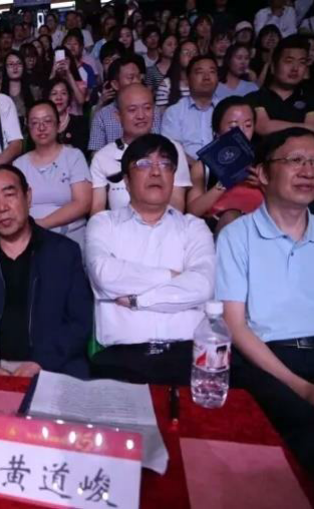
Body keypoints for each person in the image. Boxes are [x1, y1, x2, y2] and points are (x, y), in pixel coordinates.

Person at [216, 127, 314, 483]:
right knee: (305, 435)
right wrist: (303, 387)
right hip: (267, 361)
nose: (308, 171)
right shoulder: (238, 236)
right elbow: (235, 326)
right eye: (295, 160)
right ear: (262, 173)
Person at [86, 133, 215, 385]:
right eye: (144, 163)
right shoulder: (104, 224)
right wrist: (173, 277)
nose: (156, 172)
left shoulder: (194, 227)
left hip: (188, 356)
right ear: (126, 180)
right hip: (121, 359)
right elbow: (105, 274)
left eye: (165, 164)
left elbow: (202, 286)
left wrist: (137, 301)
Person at [0, 164, 93, 378]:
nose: (2, 207)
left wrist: (40, 364)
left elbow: (80, 322)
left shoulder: (64, 252)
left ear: (28, 197)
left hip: (52, 368)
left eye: (9, 195)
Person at [91, 84, 191, 215]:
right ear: (118, 116)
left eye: (147, 108)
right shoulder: (102, 157)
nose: (141, 115)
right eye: (132, 110)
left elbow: (176, 205)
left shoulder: (172, 149)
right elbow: (97, 210)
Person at [14, 100, 92, 251]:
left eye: (47, 121)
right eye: (35, 123)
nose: (41, 127)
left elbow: (83, 203)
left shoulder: (73, 156)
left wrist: (41, 224)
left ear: (58, 125)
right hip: (30, 241)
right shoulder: (19, 164)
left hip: (69, 237)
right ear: (28, 128)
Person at [187, 96, 264, 234]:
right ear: (217, 130)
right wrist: (224, 183)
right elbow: (193, 212)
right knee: (231, 217)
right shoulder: (203, 167)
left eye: (248, 125)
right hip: (219, 225)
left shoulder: (265, 162)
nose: (241, 132)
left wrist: (264, 185)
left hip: (260, 226)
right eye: (233, 126)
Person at [247, 35, 314, 138]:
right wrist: (304, 127)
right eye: (289, 61)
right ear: (273, 67)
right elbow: (264, 127)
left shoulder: (313, 99)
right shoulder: (255, 98)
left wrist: (275, 125)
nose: (295, 68)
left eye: (302, 62)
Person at [88, 54, 162, 154]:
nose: (136, 81)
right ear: (115, 84)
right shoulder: (102, 115)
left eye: (138, 77)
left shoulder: (153, 110)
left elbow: (160, 146)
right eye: (131, 78)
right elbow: (96, 154)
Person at [161, 54, 218, 163]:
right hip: (186, 170)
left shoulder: (227, 110)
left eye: (212, 72)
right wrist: (199, 168)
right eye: (200, 72)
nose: (207, 77)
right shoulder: (174, 112)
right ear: (188, 79)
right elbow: (172, 149)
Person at [45, 78, 88, 153]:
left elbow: (83, 152)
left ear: (69, 97)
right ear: (48, 98)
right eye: (54, 93)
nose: (59, 97)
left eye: (63, 93)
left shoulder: (80, 123)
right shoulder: (40, 125)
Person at [156, 40, 198, 108]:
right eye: (186, 52)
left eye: (194, 52)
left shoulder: (203, 82)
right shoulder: (166, 85)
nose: (191, 55)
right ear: (178, 56)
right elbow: (161, 113)